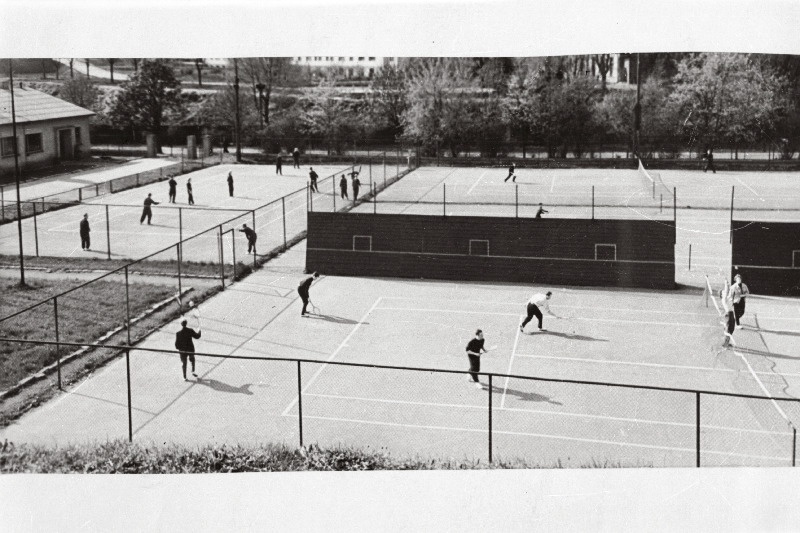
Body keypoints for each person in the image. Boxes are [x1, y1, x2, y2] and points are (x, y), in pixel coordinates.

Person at [721, 280, 736, 348]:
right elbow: (727, 291)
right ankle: (725, 344)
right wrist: (725, 283)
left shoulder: (727, 298)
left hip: (731, 314)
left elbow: (729, 291)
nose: (725, 292)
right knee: (728, 329)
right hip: (728, 314)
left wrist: (728, 285)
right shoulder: (724, 299)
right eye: (723, 292)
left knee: (731, 329)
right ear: (722, 295)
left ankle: (727, 342)